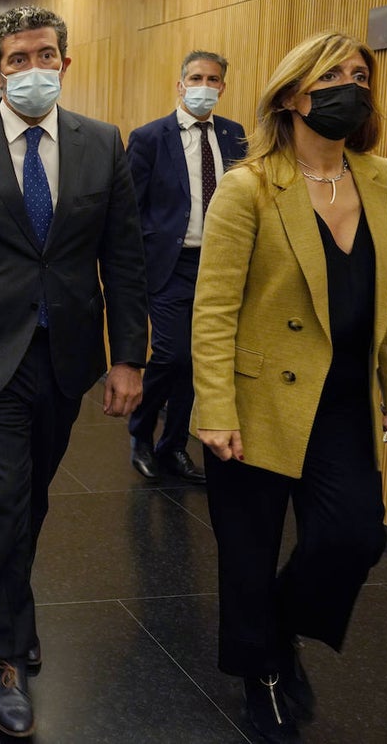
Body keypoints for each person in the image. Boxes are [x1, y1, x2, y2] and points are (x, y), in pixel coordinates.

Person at [0, 6, 147, 738]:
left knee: (33, 494)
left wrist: (129, 356)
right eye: (18, 58)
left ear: (65, 63)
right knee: (1, 500)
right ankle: (6, 651)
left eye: (45, 54)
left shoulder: (103, 145)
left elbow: (125, 259)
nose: (33, 67)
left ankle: (13, 602)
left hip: (65, 352)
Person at [191, 31, 387, 743]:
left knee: (353, 538)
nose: (350, 87)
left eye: (361, 75)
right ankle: (261, 674)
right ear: (295, 94)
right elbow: (215, 308)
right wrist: (215, 409)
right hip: (258, 400)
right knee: (249, 550)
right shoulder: (249, 187)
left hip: (344, 400)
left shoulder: (381, 177)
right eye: (333, 76)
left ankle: (278, 629)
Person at [127, 51, 247, 484]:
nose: (203, 85)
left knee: (199, 361)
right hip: (170, 264)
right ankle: (141, 433)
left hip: (221, 265)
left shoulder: (235, 136)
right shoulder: (149, 138)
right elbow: (130, 209)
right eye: (195, 77)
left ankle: (173, 445)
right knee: (173, 354)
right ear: (180, 85)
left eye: (212, 79)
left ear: (222, 87)